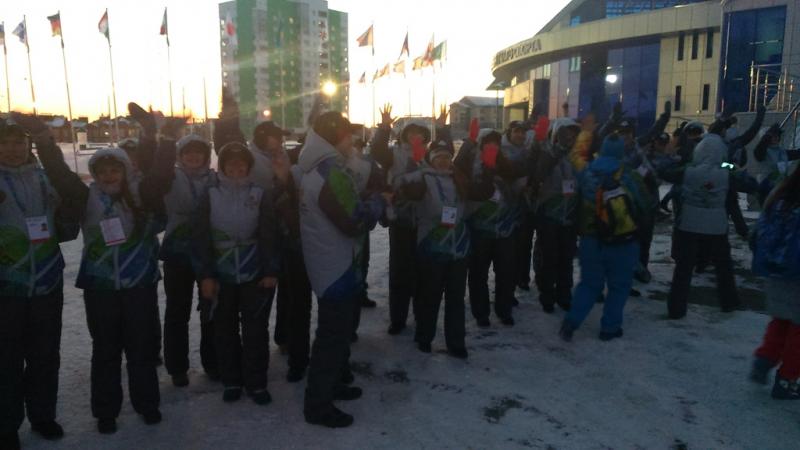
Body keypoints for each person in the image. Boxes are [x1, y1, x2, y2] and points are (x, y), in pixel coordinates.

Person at [38, 131, 166, 434]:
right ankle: (106, 411)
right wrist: (44, 142)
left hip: (139, 284)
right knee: (106, 349)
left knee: (141, 347)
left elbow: (159, 171)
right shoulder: (87, 198)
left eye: (115, 169)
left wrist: (156, 133)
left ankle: (147, 403)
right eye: (103, 171)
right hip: (100, 287)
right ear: (95, 174)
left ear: (126, 170)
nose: (109, 176)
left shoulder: (141, 195)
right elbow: (61, 175)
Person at [298, 112, 386, 428]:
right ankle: (318, 405)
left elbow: (341, 205)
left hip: (329, 261)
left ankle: (333, 384)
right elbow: (353, 221)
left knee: (335, 334)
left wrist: (363, 198)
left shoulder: (317, 166)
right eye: (348, 134)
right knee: (332, 338)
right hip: (335, 266)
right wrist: (378, 201)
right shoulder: (329, 171)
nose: (352, 141)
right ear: (337, 137)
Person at [0, 117, 78, 448]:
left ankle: (43, 415)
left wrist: (47, 142)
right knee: (6, 358)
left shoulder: (46, 177)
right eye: (4, 143)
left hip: (46, 280)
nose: (12, 149)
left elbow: (71, 196)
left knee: (45, 353)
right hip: (7, 285)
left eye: (19, 142)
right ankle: (6, 426)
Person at [193, 142, 280, 405]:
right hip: (222, 275)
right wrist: (206, 275)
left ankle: (256, 382)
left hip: (254, 273)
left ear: (249, 166)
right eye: (230, 163)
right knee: (224, 329)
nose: (236, 168)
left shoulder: (259, 194)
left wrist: (270, 270)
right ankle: (231, 379)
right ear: (222, 166)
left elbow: (270, 234)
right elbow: (200, 238)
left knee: (256, 330)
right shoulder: (210, 194)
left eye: (241, 163)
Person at [396, 133, 494, 357]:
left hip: (458, 248)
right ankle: (424, 336)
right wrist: (414, 163)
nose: (443, 161)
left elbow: (480, 195)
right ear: (431, 159)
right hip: (431, 247)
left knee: (455, 298)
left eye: (447, 157)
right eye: (438, 156)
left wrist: (488, 168)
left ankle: (456, 342)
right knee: (429, 295)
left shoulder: (459, 179)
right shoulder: (424, 178)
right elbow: (410, 192)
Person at [142, 121, 219, 387]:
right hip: (178, 252)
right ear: (180, 155)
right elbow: (154, 176)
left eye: (199, 152)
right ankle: (177, 367)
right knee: (177, 311)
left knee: (211, 308)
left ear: (206, 155)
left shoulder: (215, 179)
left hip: (208, 253)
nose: (193, 156)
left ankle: (213, 362)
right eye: (188, 152)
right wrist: (164, 140)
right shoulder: (171, 178)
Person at [559, 135, 650, 342]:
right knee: (619, 286)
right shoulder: (628, 174)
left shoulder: (587, 171)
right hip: (623, 241)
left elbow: (574, 161)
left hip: (591, 239)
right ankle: (610, 327)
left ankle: (572, 321)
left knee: (589, 283)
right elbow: (645, 203)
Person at [662, 130, 757, 319]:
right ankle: (729, 301)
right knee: (723, 266)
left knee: (683, 269)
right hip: (716, 226)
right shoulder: (726, 170)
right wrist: (732, 166)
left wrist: (671, 157)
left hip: (689, 224)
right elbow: (750, 184)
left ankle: (676, 308)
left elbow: (666, 172)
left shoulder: (689, 169)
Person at [456, 128, 523, 327]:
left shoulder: (505, 165)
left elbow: (523, 173)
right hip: (479, 229)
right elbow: (457, 167)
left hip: (505, 229)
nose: (492, 147)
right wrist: (470, 144)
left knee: (506, 272)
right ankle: (481, 312)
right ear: (481, 145)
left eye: (496, 143)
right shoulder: (471, 165)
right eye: (488, 143)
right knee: (478, 273)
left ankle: (504, 310)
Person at [370, 104, 427, 335]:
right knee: (400, 270)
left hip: (424, 220)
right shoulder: (394, 154)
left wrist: (444, 130)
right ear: (404, 135)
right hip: (400, 219)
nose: (415, 136)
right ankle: (398, 318)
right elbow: (377, 151)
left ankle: (422, 315)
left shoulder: (429, 155)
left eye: (419, 133)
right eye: (411, 133)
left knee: (422, 271)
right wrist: (384, 128)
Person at [750, 165, 800, 399]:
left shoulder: (779, 196)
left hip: (774, 270)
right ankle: (787, 380)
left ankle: (764, 359)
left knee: (781, 319)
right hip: (796, 273)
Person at [248, 121, 292, 352]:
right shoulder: (252, 161)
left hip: (283, 232)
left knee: (286, 289)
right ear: (263, 138)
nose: (281, 140)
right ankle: (257, 346)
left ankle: (284, 337)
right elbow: (267, 196)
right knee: (263, 292)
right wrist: (282, 180)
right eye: (276, 136)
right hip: (262, 235)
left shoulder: (281, 156)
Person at [529, 117, 580, 313]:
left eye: (572, 136)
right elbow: (538, 175)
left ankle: (564, 294)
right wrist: (556, 151)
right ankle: (547, 295)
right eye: (565, 135)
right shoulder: (547, 153)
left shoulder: (577, 156)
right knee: (549, 258)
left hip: (570, 215)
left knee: (566, 258)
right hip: (549, 216)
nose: (569, 139)